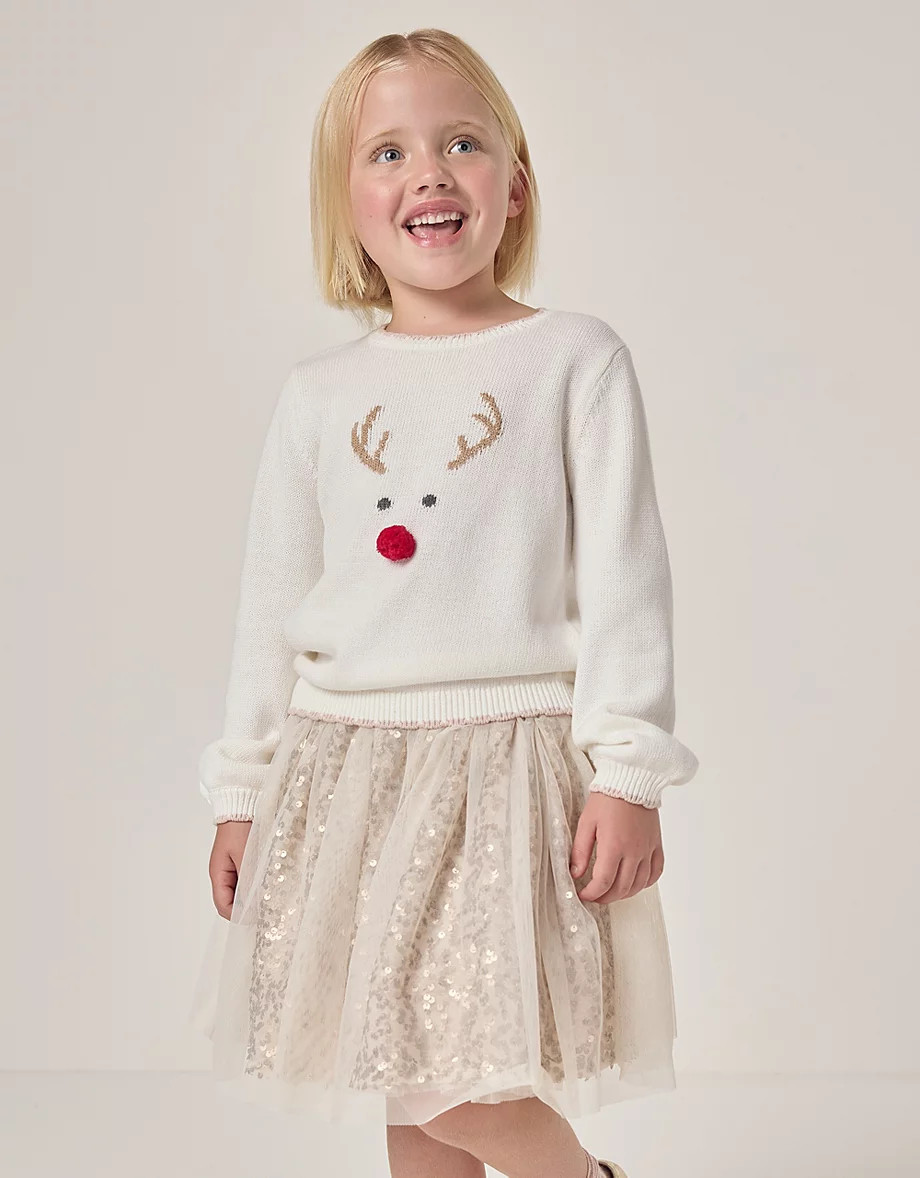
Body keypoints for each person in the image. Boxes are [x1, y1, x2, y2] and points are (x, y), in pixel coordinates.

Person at [188, 27, 699, 1178]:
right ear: (348, 206)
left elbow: (626, 576)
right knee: (400, 1070)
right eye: (388, 152)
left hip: (500, 763)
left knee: (459, 1074)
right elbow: (273, 602)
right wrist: (241, 789)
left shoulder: (571, 359)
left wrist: (626, 769)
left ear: (512, 187)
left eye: (461, 143)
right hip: (345, 768)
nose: (428, 172)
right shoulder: (319, 394)